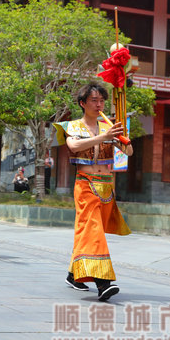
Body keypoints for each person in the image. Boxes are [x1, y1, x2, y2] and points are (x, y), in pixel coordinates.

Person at [52, 82, 133, 302]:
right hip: (86, 183)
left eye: (102, 101)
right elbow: (74, 147)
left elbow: (129, 152)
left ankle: (74, 275)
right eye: (94, 101)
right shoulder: (71, 126)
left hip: (106, 184)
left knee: (86, 231)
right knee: (93, 230)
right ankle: (103, 282)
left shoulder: (108, 126)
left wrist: (122, 137)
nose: (99, 105)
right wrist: (103, 137)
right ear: (82, 103)